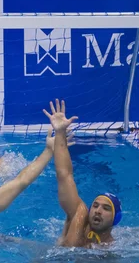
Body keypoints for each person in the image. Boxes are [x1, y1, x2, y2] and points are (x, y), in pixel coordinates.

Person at [44, 99, 122, 248]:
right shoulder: (79, 216)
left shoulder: (114, 249)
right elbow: (64, 174)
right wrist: (60, 132)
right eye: (95, 206)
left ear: (115, 219)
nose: (97, 211)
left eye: (106, 208)